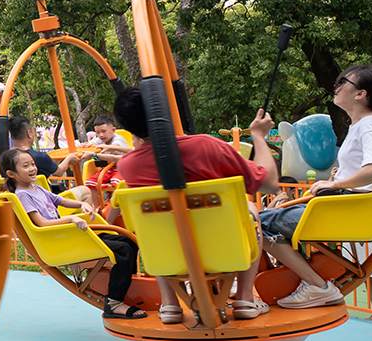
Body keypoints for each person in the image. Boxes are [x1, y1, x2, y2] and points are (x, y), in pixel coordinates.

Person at [259, 65, 372, 309]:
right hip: (349, 206)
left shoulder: (369, 125)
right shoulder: (368, 124)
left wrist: (335, 183)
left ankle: (316, 285)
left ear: (361, 94)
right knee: (262, 221)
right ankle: (309, 280)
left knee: (256, 224)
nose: (336, 87)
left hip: (350, 209)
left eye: (343, 82)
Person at [115, 87, 278, 322]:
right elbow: (270, 183)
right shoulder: (206, 146)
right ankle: (244, 298)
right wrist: (259, 137)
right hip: (224, 249)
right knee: (250, 209)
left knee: (153, 222)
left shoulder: (128, 165)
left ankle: (170, 304)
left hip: (170, 255)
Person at [0, 149, 144, 319]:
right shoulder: (22, 195)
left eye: (32, 164)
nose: (32, 168)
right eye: (25, 166)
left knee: (128, 240)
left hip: (69, 235)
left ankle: (127, 286)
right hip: (61, 240)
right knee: (123, 250)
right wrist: (71, 219)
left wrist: (81, 205)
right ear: (11, 174)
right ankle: (114, 303)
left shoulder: (36, 188)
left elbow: (60, 200)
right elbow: (42, 223)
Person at [9, 121, 79, 190]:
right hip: (41, 194)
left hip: (14, 193)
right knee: (83, 190)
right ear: (29, 133)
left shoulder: (6, 156)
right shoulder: (40, 157)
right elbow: (59, 172)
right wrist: (69, 158)